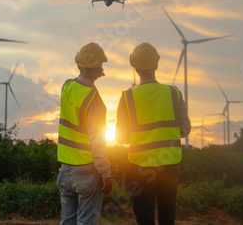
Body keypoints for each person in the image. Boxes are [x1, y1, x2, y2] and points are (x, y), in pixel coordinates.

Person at [116, 43, 191, 225]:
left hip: (139, 167)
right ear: (156, 64)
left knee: (145, 219)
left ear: (134, 67)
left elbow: (121, 138)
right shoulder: (174, 93)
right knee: (167, 218)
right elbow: (184, 130)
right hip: (169, 166)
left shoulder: (127, 97)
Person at [57, 42, 113, 225]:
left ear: (79, 64)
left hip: (65, 169)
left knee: (67, 220)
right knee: (86, 222)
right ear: (98, 69)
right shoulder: (94, 100)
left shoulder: (66, 87)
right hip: (87, 170)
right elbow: (98, 142)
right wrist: (105, 172)